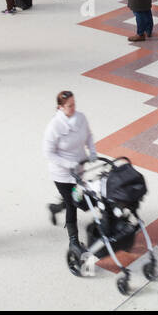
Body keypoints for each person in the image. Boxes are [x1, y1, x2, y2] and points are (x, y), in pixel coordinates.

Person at [44, 89, 97, 249]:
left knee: (77, 198)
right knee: (72, 204)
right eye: (69, 106)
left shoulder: (81, 118)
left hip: (79, 170)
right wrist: (68, 164)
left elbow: (89, 136)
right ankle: (73, 241)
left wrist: (92, 152)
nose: (73, 108)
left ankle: (55, 208)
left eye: (74, 104)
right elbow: (48, 153)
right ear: (60, 107)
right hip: (61, 175)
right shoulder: (54, 126)